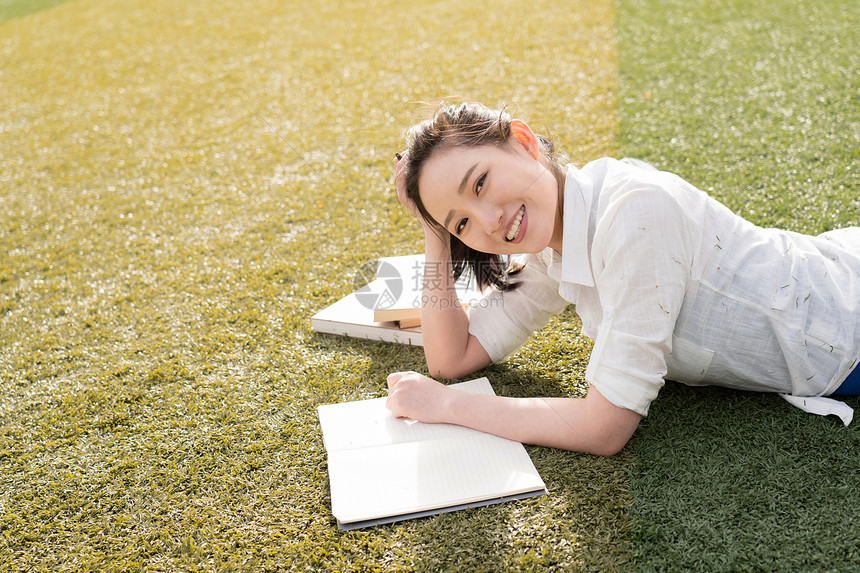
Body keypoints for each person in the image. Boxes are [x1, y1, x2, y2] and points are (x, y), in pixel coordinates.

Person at [384, 101, 860, 456]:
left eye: (481, 183)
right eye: (462, 222)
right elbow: (451, 358)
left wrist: (447, 407)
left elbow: (602, 427)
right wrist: (436, 232)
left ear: (524, 142)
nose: (487, 222)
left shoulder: (635, 214)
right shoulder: (553, 240)